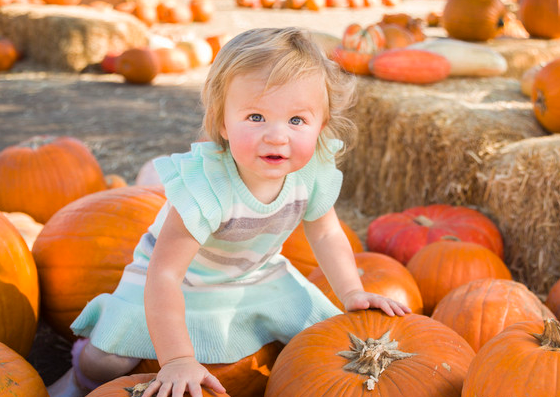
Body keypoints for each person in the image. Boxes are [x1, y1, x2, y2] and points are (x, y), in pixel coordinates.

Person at [48, 26, 411, 397]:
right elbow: (165, 274)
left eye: (297, 120)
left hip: (257, 275)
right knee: (109, 360)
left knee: (323, 339)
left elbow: (326, 233)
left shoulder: (311, 169)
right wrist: (176, 359)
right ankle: (79, 379)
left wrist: (351, 291)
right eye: (256, 117)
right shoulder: (208, 186)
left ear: (321, 125)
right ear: (222, 121)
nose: (276, 135)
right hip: (177, 282)